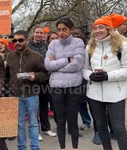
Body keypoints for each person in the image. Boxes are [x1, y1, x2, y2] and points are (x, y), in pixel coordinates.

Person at [82, 16, 127, 150]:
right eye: (95, 28)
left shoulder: (123, 45)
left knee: (119, 128)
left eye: (101, 27)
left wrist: (107, 76)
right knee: (101, 126)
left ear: (109, 29)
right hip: (94, 94)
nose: (97, 30)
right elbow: (84, 69)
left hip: (116, 94)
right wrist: (90, 76)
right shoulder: (89, 48)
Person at [45, 17, 85, 150]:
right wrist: (67, 59)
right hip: (56, 88)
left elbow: (77, 65)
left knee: (73, 120)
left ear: (71, 30)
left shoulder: (78, 42)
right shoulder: (53, 44)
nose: (61, 32)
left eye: (64, 29)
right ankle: (62, 147)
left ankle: (75, 147)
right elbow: (48, 65)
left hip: (74, 87)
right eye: (59, 30)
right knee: (60, 121)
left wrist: (56, 64)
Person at [6, 30, 47, 150]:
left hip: (32, 95)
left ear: (27, 40)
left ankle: (35, 147)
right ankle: (21, 147)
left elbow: (44, 73)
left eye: (20, 40)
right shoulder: (10, 56)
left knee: (33, 123)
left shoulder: (37, 56)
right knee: (20, 125)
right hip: (16, 95)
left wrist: (35, 76)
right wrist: (9, 89)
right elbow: (6, 76)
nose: (17, 42)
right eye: (14, 40)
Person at [28, 25, 57, 141]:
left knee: (44, 105)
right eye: (37, 32)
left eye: (41, 33)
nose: (39, 34)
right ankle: (35, 130)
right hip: (33, 80)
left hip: (45, 79)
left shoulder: (46, 46)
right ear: (33, 33)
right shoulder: (28, 46)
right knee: (34, 107)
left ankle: (46, 128)